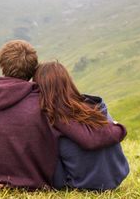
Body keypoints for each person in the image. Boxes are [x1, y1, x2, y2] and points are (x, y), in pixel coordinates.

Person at [0, 40, 127, 191]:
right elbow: (87, 137)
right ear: (33, 68)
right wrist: (119, 128)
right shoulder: (43, 102)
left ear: (2, 66)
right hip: (34, 177)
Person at [33, 61, 129, 191]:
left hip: (83, 183)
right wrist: (119, 128)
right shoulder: (95, 107)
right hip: (115, 177)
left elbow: (88, 140)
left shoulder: (54, 116)